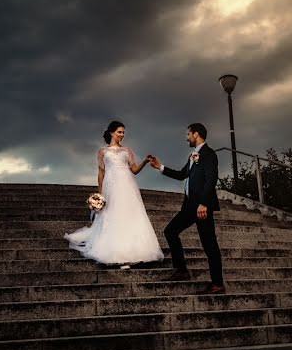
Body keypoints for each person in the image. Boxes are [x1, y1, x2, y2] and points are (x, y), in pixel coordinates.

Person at [64, 121, 164, 265]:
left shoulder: (127, 151)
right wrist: (100, 194)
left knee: (130, 213)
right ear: (111, 132)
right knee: (112, 213)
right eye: (119, 132)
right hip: (110, 186)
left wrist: (145, 161)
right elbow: (100, 173)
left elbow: (134, 170)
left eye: (123, 132)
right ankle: (113, 248)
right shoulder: (102, 151)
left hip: (127, 185)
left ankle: (135, 249)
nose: (122, 135)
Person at [149, 123, 225, 294]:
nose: (187, 137)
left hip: (201, 207)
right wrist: (160, 167)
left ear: (196, 134)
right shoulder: (193, 155)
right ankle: (182, 270)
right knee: (170, 231)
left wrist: (204, 203)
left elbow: (211, 179)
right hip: (190, 206)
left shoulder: (209, 154)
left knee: (210, 245)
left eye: (188, 134)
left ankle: (218, 284)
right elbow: (182, 174)